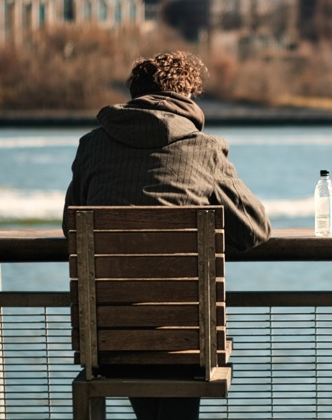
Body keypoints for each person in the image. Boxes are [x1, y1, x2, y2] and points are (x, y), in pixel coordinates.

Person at [62, 50, 271, 420]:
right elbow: (255, 228)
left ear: (134, 94)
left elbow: (71, 228)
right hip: (188, 338)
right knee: (175, 359)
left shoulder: (91, 146)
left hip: (108, 336)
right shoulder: (204, 150)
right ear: (186, 97)